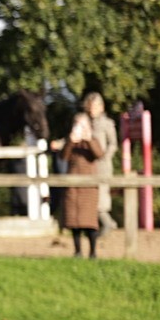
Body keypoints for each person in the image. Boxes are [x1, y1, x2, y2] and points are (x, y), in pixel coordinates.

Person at [59, 112, 105, 258]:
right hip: (73, 187)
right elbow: (63, 157)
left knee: (89, 222)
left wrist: (89, 139)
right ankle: (77, 251)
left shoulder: (93, 140)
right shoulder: (71, 142)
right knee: (74, 221)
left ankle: (93, 252)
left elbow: (99, 154)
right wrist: (71, 141)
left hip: (88, 188)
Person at [83, 92, 118, 235]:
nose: (93, 109)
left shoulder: (107, 124)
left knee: (102, 196)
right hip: (88, 166)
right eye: (91, 106)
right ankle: (104, 224)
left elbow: (113, 144)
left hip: (102, 166)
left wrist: (105, 157)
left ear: (101, 107)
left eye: (96, 106)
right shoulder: (84, 123)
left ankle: (107, 223)